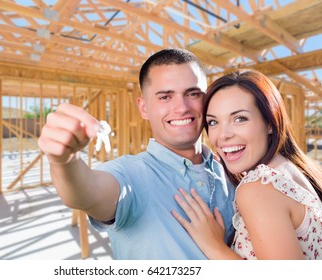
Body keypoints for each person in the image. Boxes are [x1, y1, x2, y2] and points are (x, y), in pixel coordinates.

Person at [38, 48, 235, 259]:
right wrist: (64, 162)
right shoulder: (130, 173)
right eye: (165, 97)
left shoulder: (229, 168)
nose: (182, 107)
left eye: (193, 94)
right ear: (143, 108)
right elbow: (87, 193)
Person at [172, 69, 322, 260]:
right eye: (213, 122)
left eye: (239, 119)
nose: (224, 134)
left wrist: (214, 247)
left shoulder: (258, 188)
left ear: (270, 122)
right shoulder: (292, 169)